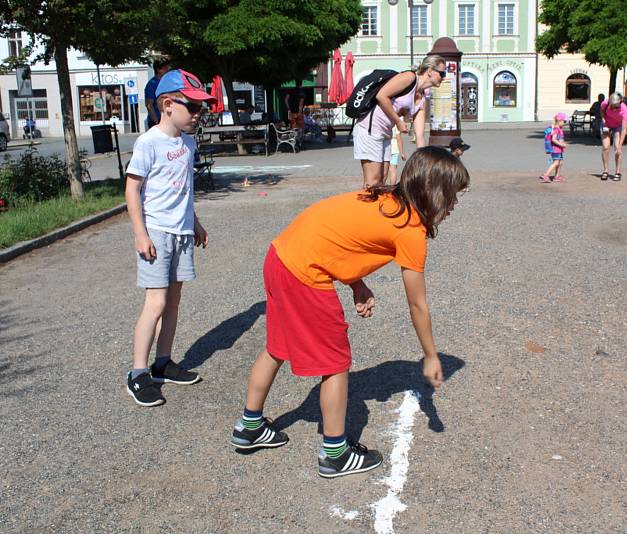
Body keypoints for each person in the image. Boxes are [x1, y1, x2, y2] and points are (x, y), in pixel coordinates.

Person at [229, 147, 470, 479]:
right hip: (305, 274)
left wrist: (357, 285)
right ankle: (335, 454)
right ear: (433, 191)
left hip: (281, 256)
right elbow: (417, 304)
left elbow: (337, 237)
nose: (455, 204)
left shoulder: (380, 197)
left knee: (277, 346)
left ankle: (250, 427)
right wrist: (430, 355)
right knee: (335, 363)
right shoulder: (410, 231)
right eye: (453, 196)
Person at [124, 69, 217, 407]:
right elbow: (132, 189)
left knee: (174, 302)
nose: (197, 115)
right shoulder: (149, 143)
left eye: (201, 109)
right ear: (167, 105)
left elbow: (184, 191)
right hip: (157, 233)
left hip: (180, 233)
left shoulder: (187, 143)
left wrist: (195, 223)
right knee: (157, 303)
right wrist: (140, 234)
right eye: (192, 107)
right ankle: (138, 373)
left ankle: (162, 362)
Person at [353, 55, 447, 188]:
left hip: (386, 133)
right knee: (372, 182)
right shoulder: (409, 78)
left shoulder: (422, 100)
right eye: (442, 73)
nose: (444, 77)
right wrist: (398, 121)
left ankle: (374, 208)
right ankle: (361, 208)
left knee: (382, 180)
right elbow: (381, 95)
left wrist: (424, 161)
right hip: (369, 127)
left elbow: (419, 135)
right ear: (430, 71)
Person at [600, 92, 627, 181]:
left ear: (620, 102)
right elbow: (601, 111)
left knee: (617, 148)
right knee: (605, 147)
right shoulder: (605, 103)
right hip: (607, 125)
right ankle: (605, 171)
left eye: (616, 106)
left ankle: (617, 172)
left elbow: (624, 129)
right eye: (612, 106)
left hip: (618, 126)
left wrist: (620, 145)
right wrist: (604, 120)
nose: (614, 108)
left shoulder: (624, 110)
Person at [144, 58, 172, 129]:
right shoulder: (152, 84)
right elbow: (149, 104)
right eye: (165, 67)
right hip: (158, 121)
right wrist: (156, 121)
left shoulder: (168, 82)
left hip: (169, 120)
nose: (168, 69)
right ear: (158, 70)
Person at [541, 112, 568, 183]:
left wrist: (563, 143)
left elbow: (560, 138)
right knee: (556, 162)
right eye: (564, 121)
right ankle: (546, 175)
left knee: (560, 162)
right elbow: (553, 139)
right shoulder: (556, 129)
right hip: (555, 149)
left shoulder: (559, 129)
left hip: (559, 149)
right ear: (559, 121)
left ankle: (557, 176)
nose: (565, 123)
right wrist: (561, 144)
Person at [386, 114, 408, 184]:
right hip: (394, 148)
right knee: (393, 169)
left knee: (384, 168)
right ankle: (392, 186)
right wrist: (402, 153)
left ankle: (381, 185)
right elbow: (399, 139)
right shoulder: (395, 124)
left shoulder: (385, 122)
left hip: (386, 146)